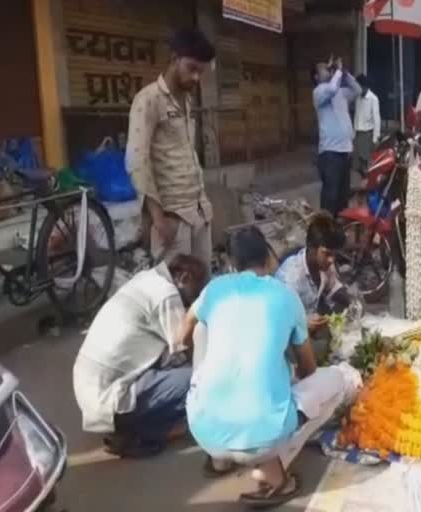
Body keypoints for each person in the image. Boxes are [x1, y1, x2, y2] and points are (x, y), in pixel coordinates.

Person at [178, 225, 358, 507]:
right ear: (268, 257)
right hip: (263, 436)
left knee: (203, 330)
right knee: (335, 380)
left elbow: (184, 333)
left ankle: (219, 460)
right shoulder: (285, 295)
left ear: (231, 263)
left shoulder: (215, 289)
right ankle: (274, 477)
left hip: (203, 428)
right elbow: (309, 370)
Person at [72, 255, 208, 458]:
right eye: (194, 293)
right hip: (111, 399)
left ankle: (133, 426)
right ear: (184, 278)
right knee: (200, 378)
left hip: (91, 393)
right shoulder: (166, 295)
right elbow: (184, 351)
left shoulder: (146, 279)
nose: (191, 301)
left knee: (175, 368)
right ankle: (141, 433)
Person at [126, 28, 216, 268]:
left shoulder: (186, 101)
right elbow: (137, 161)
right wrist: (157, 219)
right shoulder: (148, 100)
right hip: (172, 219)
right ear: (174, 60)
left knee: (201, 289)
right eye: (192, 68)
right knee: (173, 295)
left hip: (199, 212)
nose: (197, 78)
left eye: (201, 72)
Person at [276, 212, 350, 360]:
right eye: (327, 254)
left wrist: (352, 299)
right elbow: (279, 322)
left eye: (334, 255)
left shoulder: (325, 266)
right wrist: (303, 323)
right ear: (311, 247)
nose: (331, 260)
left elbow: (336, 289)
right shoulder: (291, 277)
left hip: (312, 332)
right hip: (287, 343)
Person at [313, 56, 362, 217]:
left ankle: (339, 228)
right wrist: (338, 71)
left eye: (327, 67)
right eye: (323, 68)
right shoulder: (319, 92)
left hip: (345, 151)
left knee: (342, 196)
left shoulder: (340, 92)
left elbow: (357, 90)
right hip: (330, 153)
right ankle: (325, 229)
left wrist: (345, 74)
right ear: (316, 77)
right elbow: (331, 89)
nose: (327, 68)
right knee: (330, 197)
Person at [352, 74, 381, 179]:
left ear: (365, 87)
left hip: (367, 134)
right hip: (358, 133)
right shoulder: (358, 98)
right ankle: (363, 179)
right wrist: (353, 133)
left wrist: (375, 138)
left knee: (366, 161)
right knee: (357, 163)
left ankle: (367, 181)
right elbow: (356, 116)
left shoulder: (373, 98)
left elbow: (376, 119)